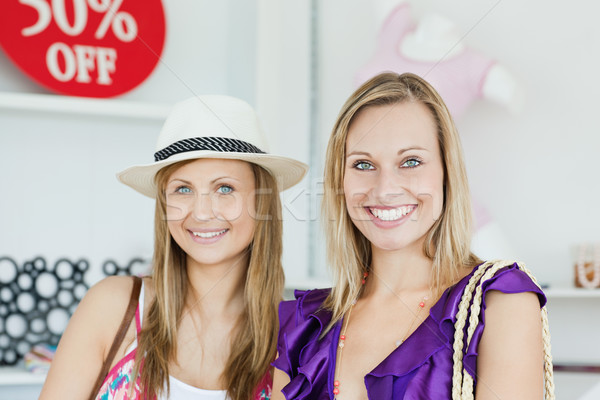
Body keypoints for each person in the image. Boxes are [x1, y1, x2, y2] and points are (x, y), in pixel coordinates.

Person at [271, 73, 553, 399]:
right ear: (340, 181)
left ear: (447, 173)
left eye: (411, 161)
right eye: (363, 165)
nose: (385, 188)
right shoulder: (305, 325)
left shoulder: (499, 302)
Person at [39, 95, 308, 400]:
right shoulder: (113, 307)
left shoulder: (295, 335)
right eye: (183, 189)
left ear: (262, 202)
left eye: (225, 188)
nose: (202, 213)